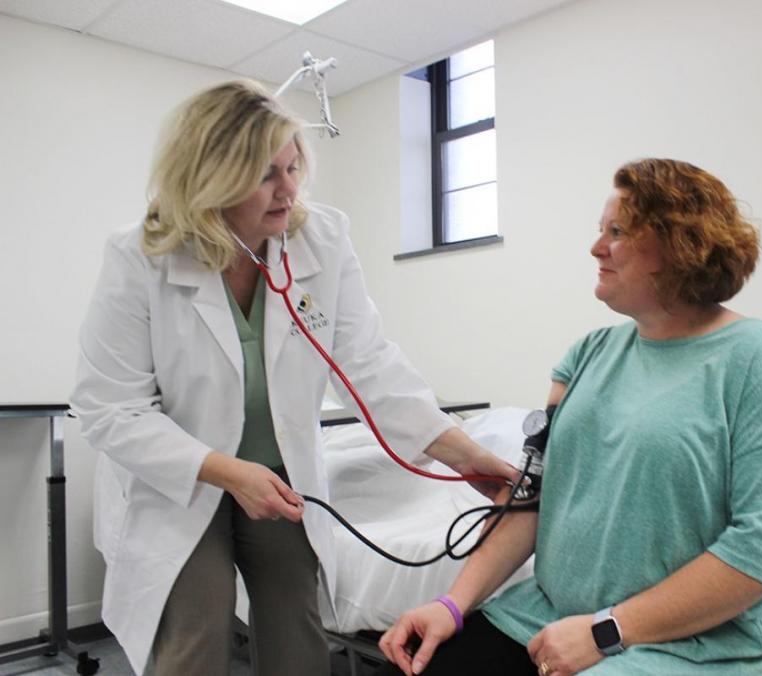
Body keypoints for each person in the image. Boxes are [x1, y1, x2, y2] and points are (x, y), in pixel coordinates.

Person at [69, 79, 517, 676]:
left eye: (293, 166)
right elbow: (108, 408)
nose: (289, 191)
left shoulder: (320, 240)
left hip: (280, 474)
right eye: (266, 175)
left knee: (297, 635)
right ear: (211, 176)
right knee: (194, 637)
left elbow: (367, 362)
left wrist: (464, 455)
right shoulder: (141, 257)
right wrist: (228, 472)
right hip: (184, 479)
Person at [376, 158, 762, 676]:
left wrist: (606, 629)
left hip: (690, 645)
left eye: (617, 232)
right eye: (601, 231)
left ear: (679, 243)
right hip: (546, 620)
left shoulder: (760, 361)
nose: (596, 248)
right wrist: (451, 606)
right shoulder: (586, 356)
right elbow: (534, 498)